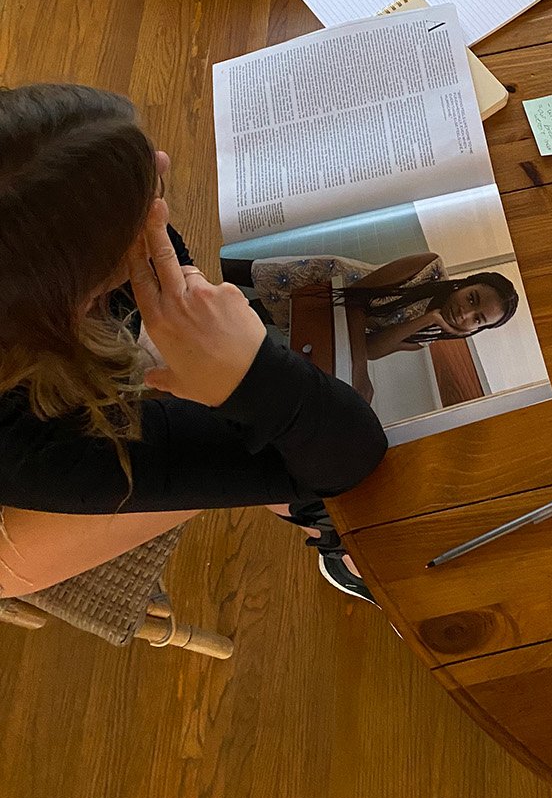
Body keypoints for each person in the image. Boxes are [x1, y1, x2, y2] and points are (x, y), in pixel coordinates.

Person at [0, 84, 387, 604]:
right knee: (284, 451)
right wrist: (252, 375)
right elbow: (348, 458)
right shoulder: (36, 452)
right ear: (75, 301)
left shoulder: (23, 231)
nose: (163, 159)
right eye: (141, 218)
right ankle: (336, 538)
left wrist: (169, 267)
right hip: (19, 488)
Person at [226, 253, 519, 407]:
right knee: (221, 270)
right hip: (317, 283)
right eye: (472, 298)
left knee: (233, 311)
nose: (466, 313)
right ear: (466, 283)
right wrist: (360, 372)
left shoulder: (427, 336)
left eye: (478, 319)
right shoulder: (430, 266)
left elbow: (372, 348)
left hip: (320, 315)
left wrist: (426, 320)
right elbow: (357, 297)